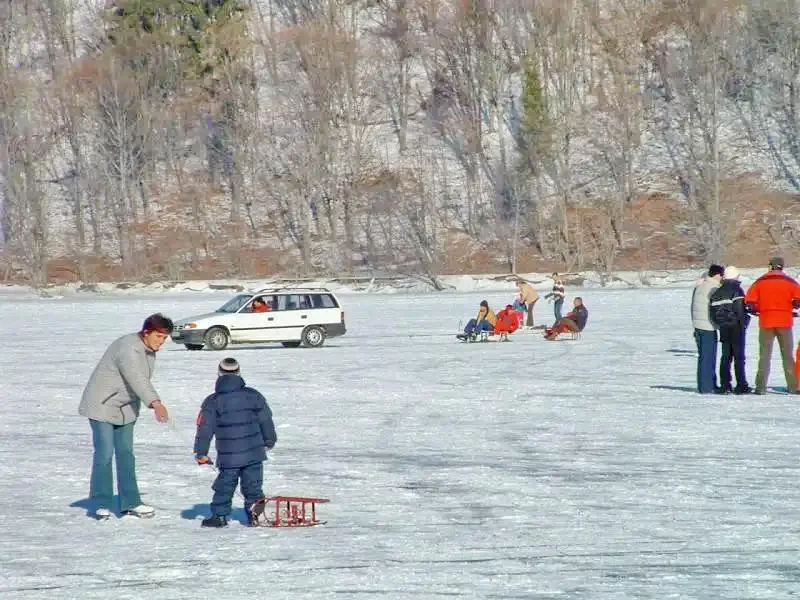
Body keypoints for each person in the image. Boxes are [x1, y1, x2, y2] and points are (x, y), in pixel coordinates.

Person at [78, 313, 174, 520]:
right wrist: (156, 403)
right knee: (104, 453)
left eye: (164, 338)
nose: (161, 342)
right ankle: (101, 503)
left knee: (126, 454)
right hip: (102, 405)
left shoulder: (148, 349)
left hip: (125, 407)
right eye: (158, 337)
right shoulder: (129, 348)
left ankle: (131, 501)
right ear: (146, 332)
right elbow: (137, 379)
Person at [194, 358, 277, 528]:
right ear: (239, 372)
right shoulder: (254, 395)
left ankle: (220, 516)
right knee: (253, 486)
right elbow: (266, 420)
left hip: (229, 456)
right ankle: (256, 516)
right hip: (254, 453)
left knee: (224, 486)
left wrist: (201, 452)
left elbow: (205, 428)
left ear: (219, 373)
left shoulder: (212, 401)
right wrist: (269, 440)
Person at [744, 256, 800, 394]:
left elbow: (749, 301)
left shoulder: (760, 281)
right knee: (787, 356)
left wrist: (758, 308)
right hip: (785, 321)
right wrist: (792, 305)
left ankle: (760, 387)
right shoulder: (789, 281)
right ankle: (793, 387)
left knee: (764, 356)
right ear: (782, 267)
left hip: (766, 321)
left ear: (770, 266)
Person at [709, 266, 751, 394]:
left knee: (726, 356)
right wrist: (744, 322)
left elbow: (712, 313)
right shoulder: (737, 290)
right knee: (739, 357)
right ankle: (741, 385)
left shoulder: (717, 292)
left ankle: (725, 384)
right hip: (736, 327)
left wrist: (720, 323)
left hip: (724, 327)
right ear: (736, 277)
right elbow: (739, 310)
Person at [691, 264, 724, 393]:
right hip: (707, 326)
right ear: (716, 275)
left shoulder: (700, 285)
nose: (722, 278)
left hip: (698, 325)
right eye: (722, 275)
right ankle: (706, 387)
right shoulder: (713, 287)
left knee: (703, 357)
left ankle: (706, 384)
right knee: (708, 358)